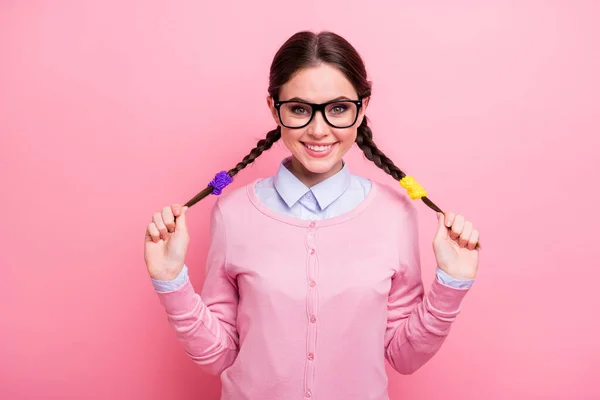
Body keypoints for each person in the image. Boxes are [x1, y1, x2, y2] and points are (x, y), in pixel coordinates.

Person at [143, 30, 481, 400]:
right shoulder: (232, 213)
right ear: (275, 109)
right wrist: (171, 281)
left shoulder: (395, 214)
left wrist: (451, 285)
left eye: (338, 108)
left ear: (362, 107)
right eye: (300, 109)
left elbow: (403, 356)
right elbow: (220, 355)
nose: (319, 130)